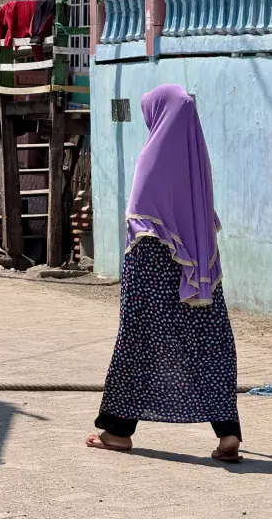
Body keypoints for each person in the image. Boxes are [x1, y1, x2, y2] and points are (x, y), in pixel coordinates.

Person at [86, 84, 242, 463]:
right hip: (200, 272)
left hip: (150, 261)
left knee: (138, 341)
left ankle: (118, 432)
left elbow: (142, 221)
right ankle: (228, 433)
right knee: (211, 342)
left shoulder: (150, 159)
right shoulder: (196, 159)